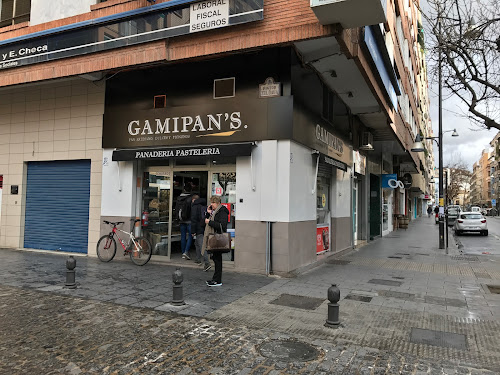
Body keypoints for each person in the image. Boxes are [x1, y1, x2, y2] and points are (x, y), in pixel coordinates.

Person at [202, 196, 229, 287]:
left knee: (217, 259)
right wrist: (208, 212)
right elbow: (206, 220)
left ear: (217, 203)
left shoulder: (222, 211)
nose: (211, 205)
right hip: (213, 237)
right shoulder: (214, 212)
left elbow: (222, 225)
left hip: (217, 238)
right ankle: (215, 279)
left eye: (212, 203)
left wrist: (209, 222)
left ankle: (217, 280)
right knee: (215, 258)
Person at [191, 194, 211, 272]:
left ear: (193, 200)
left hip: (198, 228)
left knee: (201, 245)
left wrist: (193, 231)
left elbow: (193, 219)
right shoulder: (203, 205)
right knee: (197, 243)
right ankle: (198, 258)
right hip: (204, 226)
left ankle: (207, 263)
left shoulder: (194, 206)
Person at [175, 184, 193, 260]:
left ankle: (183, 253)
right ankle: (186, 252)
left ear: (184, 190)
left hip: (181, 220)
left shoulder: (179, 198)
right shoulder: (190, 199)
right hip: (189, 220)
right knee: (191, 236)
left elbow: (176, 209)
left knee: (183, 236)